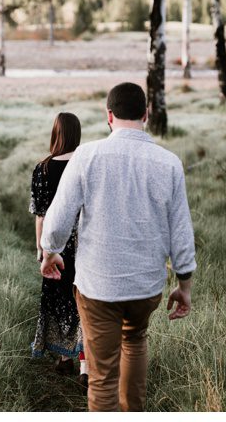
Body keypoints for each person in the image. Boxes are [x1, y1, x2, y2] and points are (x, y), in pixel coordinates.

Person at [40, 82, 197, 412]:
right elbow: (181, 232)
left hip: (98, 286)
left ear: (109, 116)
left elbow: (57, 218)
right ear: (146, 114)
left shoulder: (86, 156)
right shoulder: (169, 163)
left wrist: (50, 252)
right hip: (145, 286)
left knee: (102, 376)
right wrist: (184, 286)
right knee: (135, 341)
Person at [30, 112, 88, 386]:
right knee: (85, 301)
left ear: (55, 133)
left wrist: (42, 249)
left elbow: (41, 215)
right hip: (86, 246)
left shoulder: (42, 169)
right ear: (77, 134)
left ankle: (64, 359)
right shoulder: (86, 165)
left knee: (61, 301)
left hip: (56, 248)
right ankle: (85, 364)